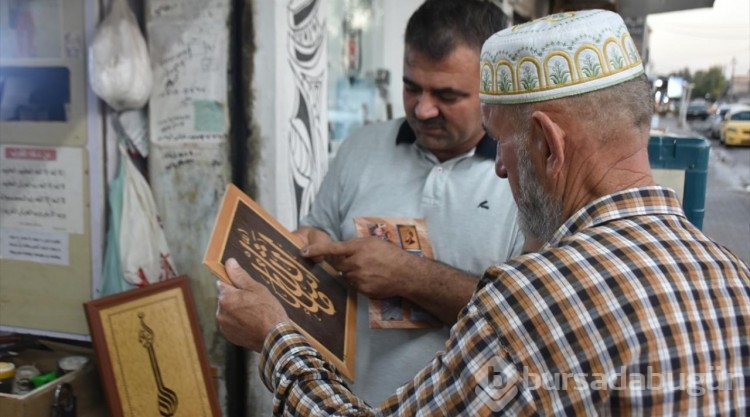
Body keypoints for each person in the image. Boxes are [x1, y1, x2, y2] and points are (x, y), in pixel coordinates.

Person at [217, 9, 750, 415]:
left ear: (547, 144)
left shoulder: (535, 298)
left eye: (504, 144)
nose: (501, 170)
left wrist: (273, 337)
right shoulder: (733, 278)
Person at [290, 0, 525, 405]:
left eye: (447, 95)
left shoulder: (526, 177)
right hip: (354, 403)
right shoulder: (361, 148)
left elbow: (527, 319)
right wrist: (308, 248)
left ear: (493, 88)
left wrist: (408, 276)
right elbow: (318, 235)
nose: (422, 108)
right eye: (411, 86)